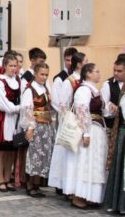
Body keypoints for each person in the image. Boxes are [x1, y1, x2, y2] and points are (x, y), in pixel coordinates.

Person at [68, 63, 116, 208]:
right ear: (88, 73)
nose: (99, 74)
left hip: (98, 129)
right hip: (89, 129)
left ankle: (90, 196)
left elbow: (101, 110)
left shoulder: (95, 90)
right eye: (96, 71)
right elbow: (82, 111)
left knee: (94, 163)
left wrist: (110, 108)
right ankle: (78, 196)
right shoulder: (83, 90)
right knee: (84, 162)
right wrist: (86, 132)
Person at [48, 51, 87, 195]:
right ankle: (63, 184)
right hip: (71, 122)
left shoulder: (83, 81)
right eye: (86, 61)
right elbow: (63, 104)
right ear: (79, 64)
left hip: (80, 123)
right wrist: (68, 122)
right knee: (66, 154)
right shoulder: (69, 81)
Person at [20, 62, 55, 197]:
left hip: (45, 125)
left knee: (42, 156)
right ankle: (29, 184)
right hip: (35, 125)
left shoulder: (45, 89)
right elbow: (27, 109)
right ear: (35, 74)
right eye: (42, 74)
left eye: (46, 75)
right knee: (33, 155)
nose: (44, 77)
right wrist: (30, 127)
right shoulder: (30, 90)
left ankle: (37, 183)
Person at [0, 53, 21, 192]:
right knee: (1, 150)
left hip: (15, 119)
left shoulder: (17, 80)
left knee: (11, 151)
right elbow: (1, 103)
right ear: (4, 66)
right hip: (3, 118)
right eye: (11, 66)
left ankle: (8, 177)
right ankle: (0, 179)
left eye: (15, 66)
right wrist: (18, 108)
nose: (13, 68)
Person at [105, 56, 125, 213]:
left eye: (120, 71)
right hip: (121, 131)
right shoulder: (115, 86)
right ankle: (117, 203)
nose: (116, 73)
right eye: (115, 70)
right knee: (119, 168)